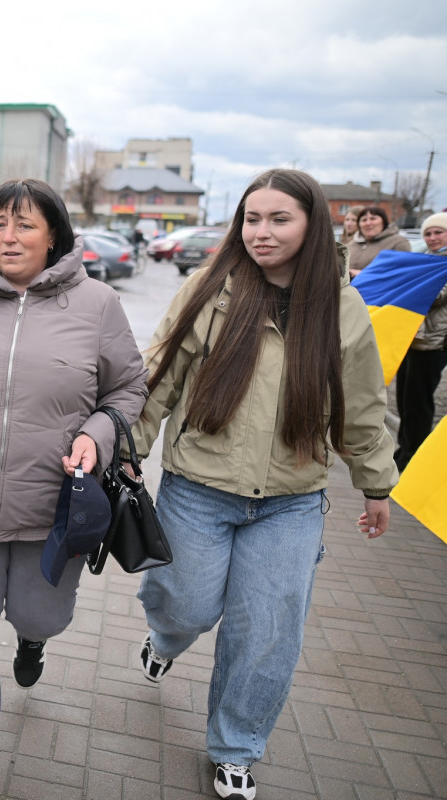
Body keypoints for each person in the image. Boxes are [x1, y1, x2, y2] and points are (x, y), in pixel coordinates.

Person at [130, 169, 397, 800]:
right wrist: (126, 452)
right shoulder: (210, 288)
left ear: (312, 225)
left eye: (280, 219)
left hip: (291, 502)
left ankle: (235, 748)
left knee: (267, 633)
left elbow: (361, 405)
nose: (262, 232)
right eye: (252, 219)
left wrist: (375, 484)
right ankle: (166, 638)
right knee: (187, 606)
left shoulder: (343, 309)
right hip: (198, 489)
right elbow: (158, 376)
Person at [0, 178, 147, 788]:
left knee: (39, 613)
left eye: (24, 224)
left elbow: (129, 386)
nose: (9, 236)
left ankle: (32, 640)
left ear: (54, 237)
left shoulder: (98, 304)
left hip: (54, 504)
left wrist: (97, 434)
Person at [394, 212, 447, 470]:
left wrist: (408, 285)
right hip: (412, 338)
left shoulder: (439, 265)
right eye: (428, 233)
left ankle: (413, 459)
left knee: (418, 403)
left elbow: (436, 296)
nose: (432, 238)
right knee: (404, 400)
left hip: (433, 343)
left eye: (439, 232)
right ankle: (404, 450)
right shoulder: (426, 260)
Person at [347, 204, 410, 278]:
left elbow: (402, 273)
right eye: (364, 220)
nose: (368, 223)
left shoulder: (398, 243)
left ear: (384, 222)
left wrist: (363, 274)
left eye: (373, 218)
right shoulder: (350, 245)